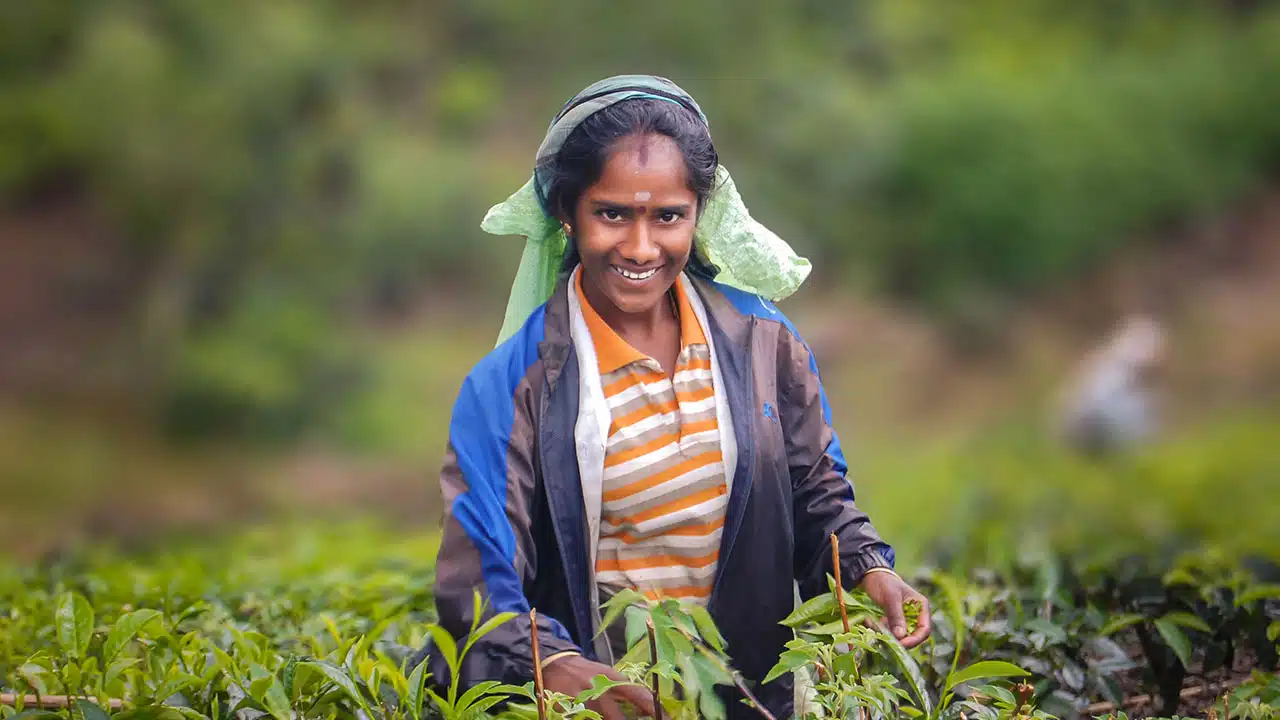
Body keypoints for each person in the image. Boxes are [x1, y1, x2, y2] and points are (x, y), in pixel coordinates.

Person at [426, 75, 930, 720]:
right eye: (612, 214)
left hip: (754, 698)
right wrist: (555, 666)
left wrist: (868, 567)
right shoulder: (511, 387)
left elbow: (814, 491)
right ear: (566, 212)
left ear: (700, 213)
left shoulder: (764, 344)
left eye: (668, 216)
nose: (641, 248)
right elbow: (476, 580)